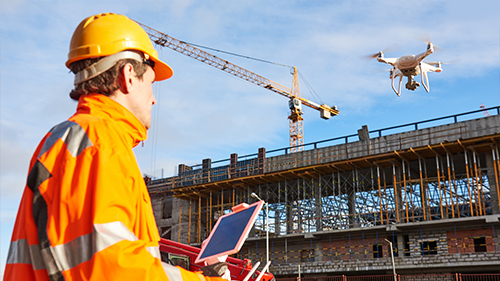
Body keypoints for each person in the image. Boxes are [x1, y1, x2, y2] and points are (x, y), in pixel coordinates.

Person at [4, 13, 226, 281]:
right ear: (129, 76)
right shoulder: (100, 140)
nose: (154, 99)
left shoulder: (67, 138)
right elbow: (111, 267)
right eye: (152, 83)